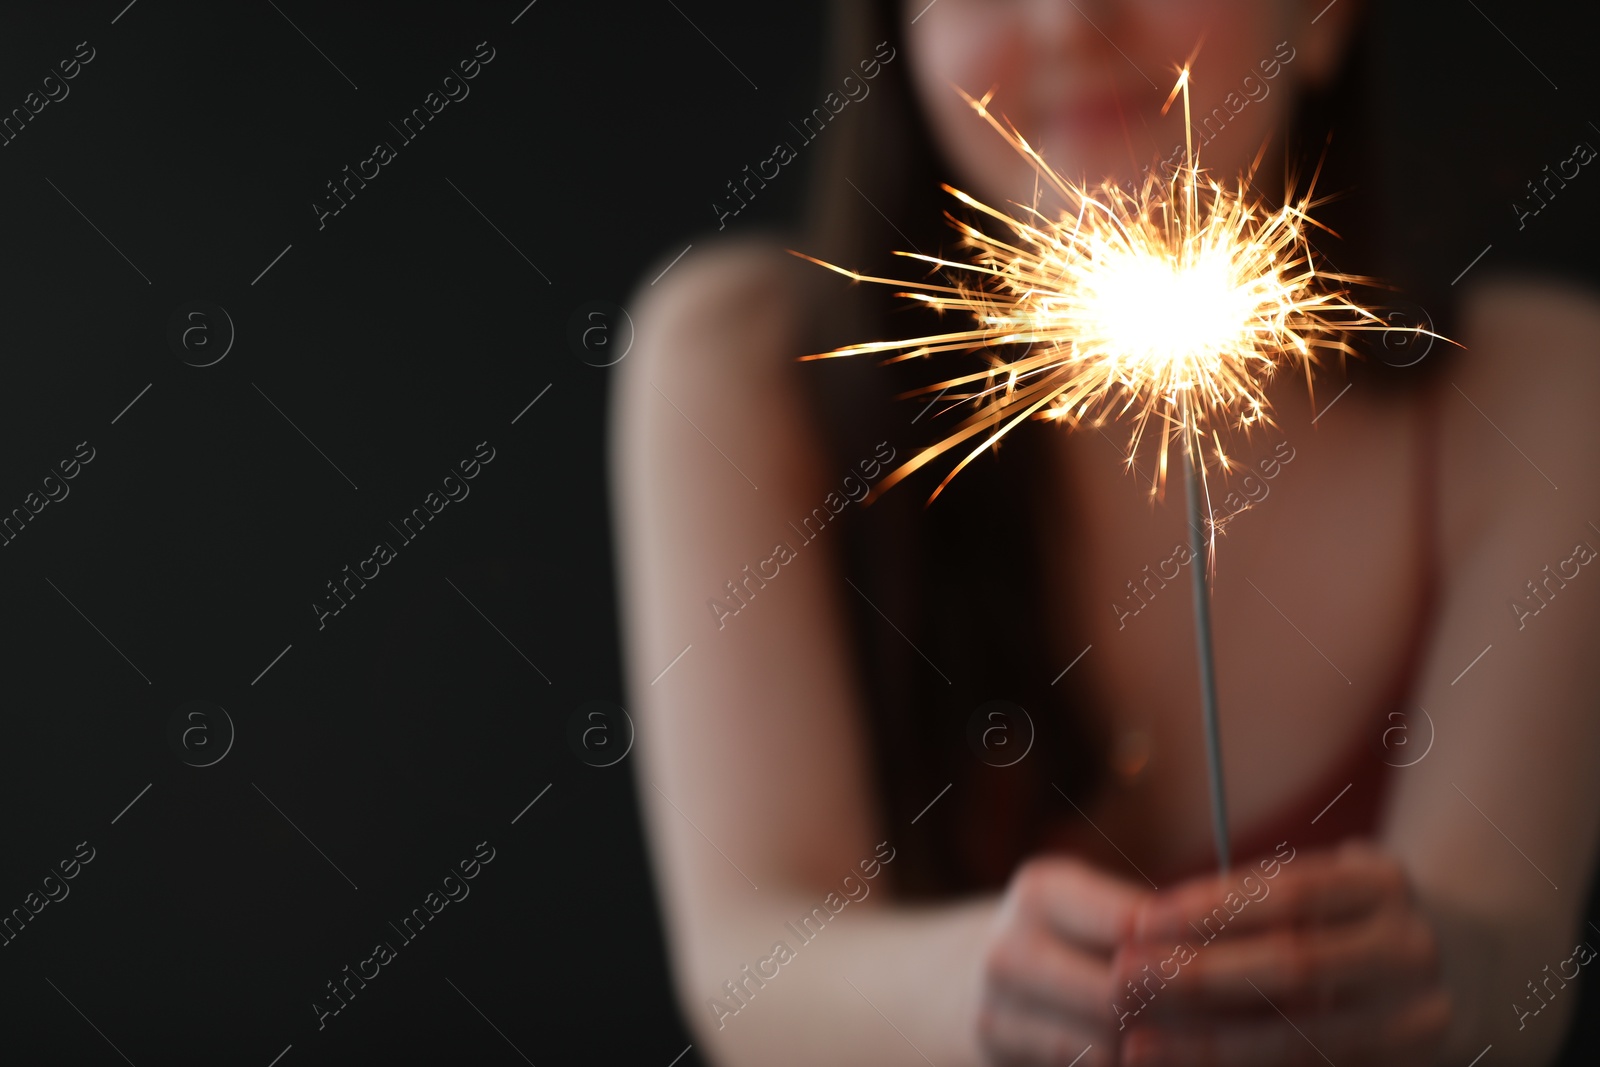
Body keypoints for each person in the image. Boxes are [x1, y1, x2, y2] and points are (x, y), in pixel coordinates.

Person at [610, 1, 1600, 1064]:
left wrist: (1428, 977)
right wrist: (984, 995)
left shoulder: (1546, 396)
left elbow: (1520, 973)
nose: (1062, 21)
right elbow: (750, 971)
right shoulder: (749, 367)